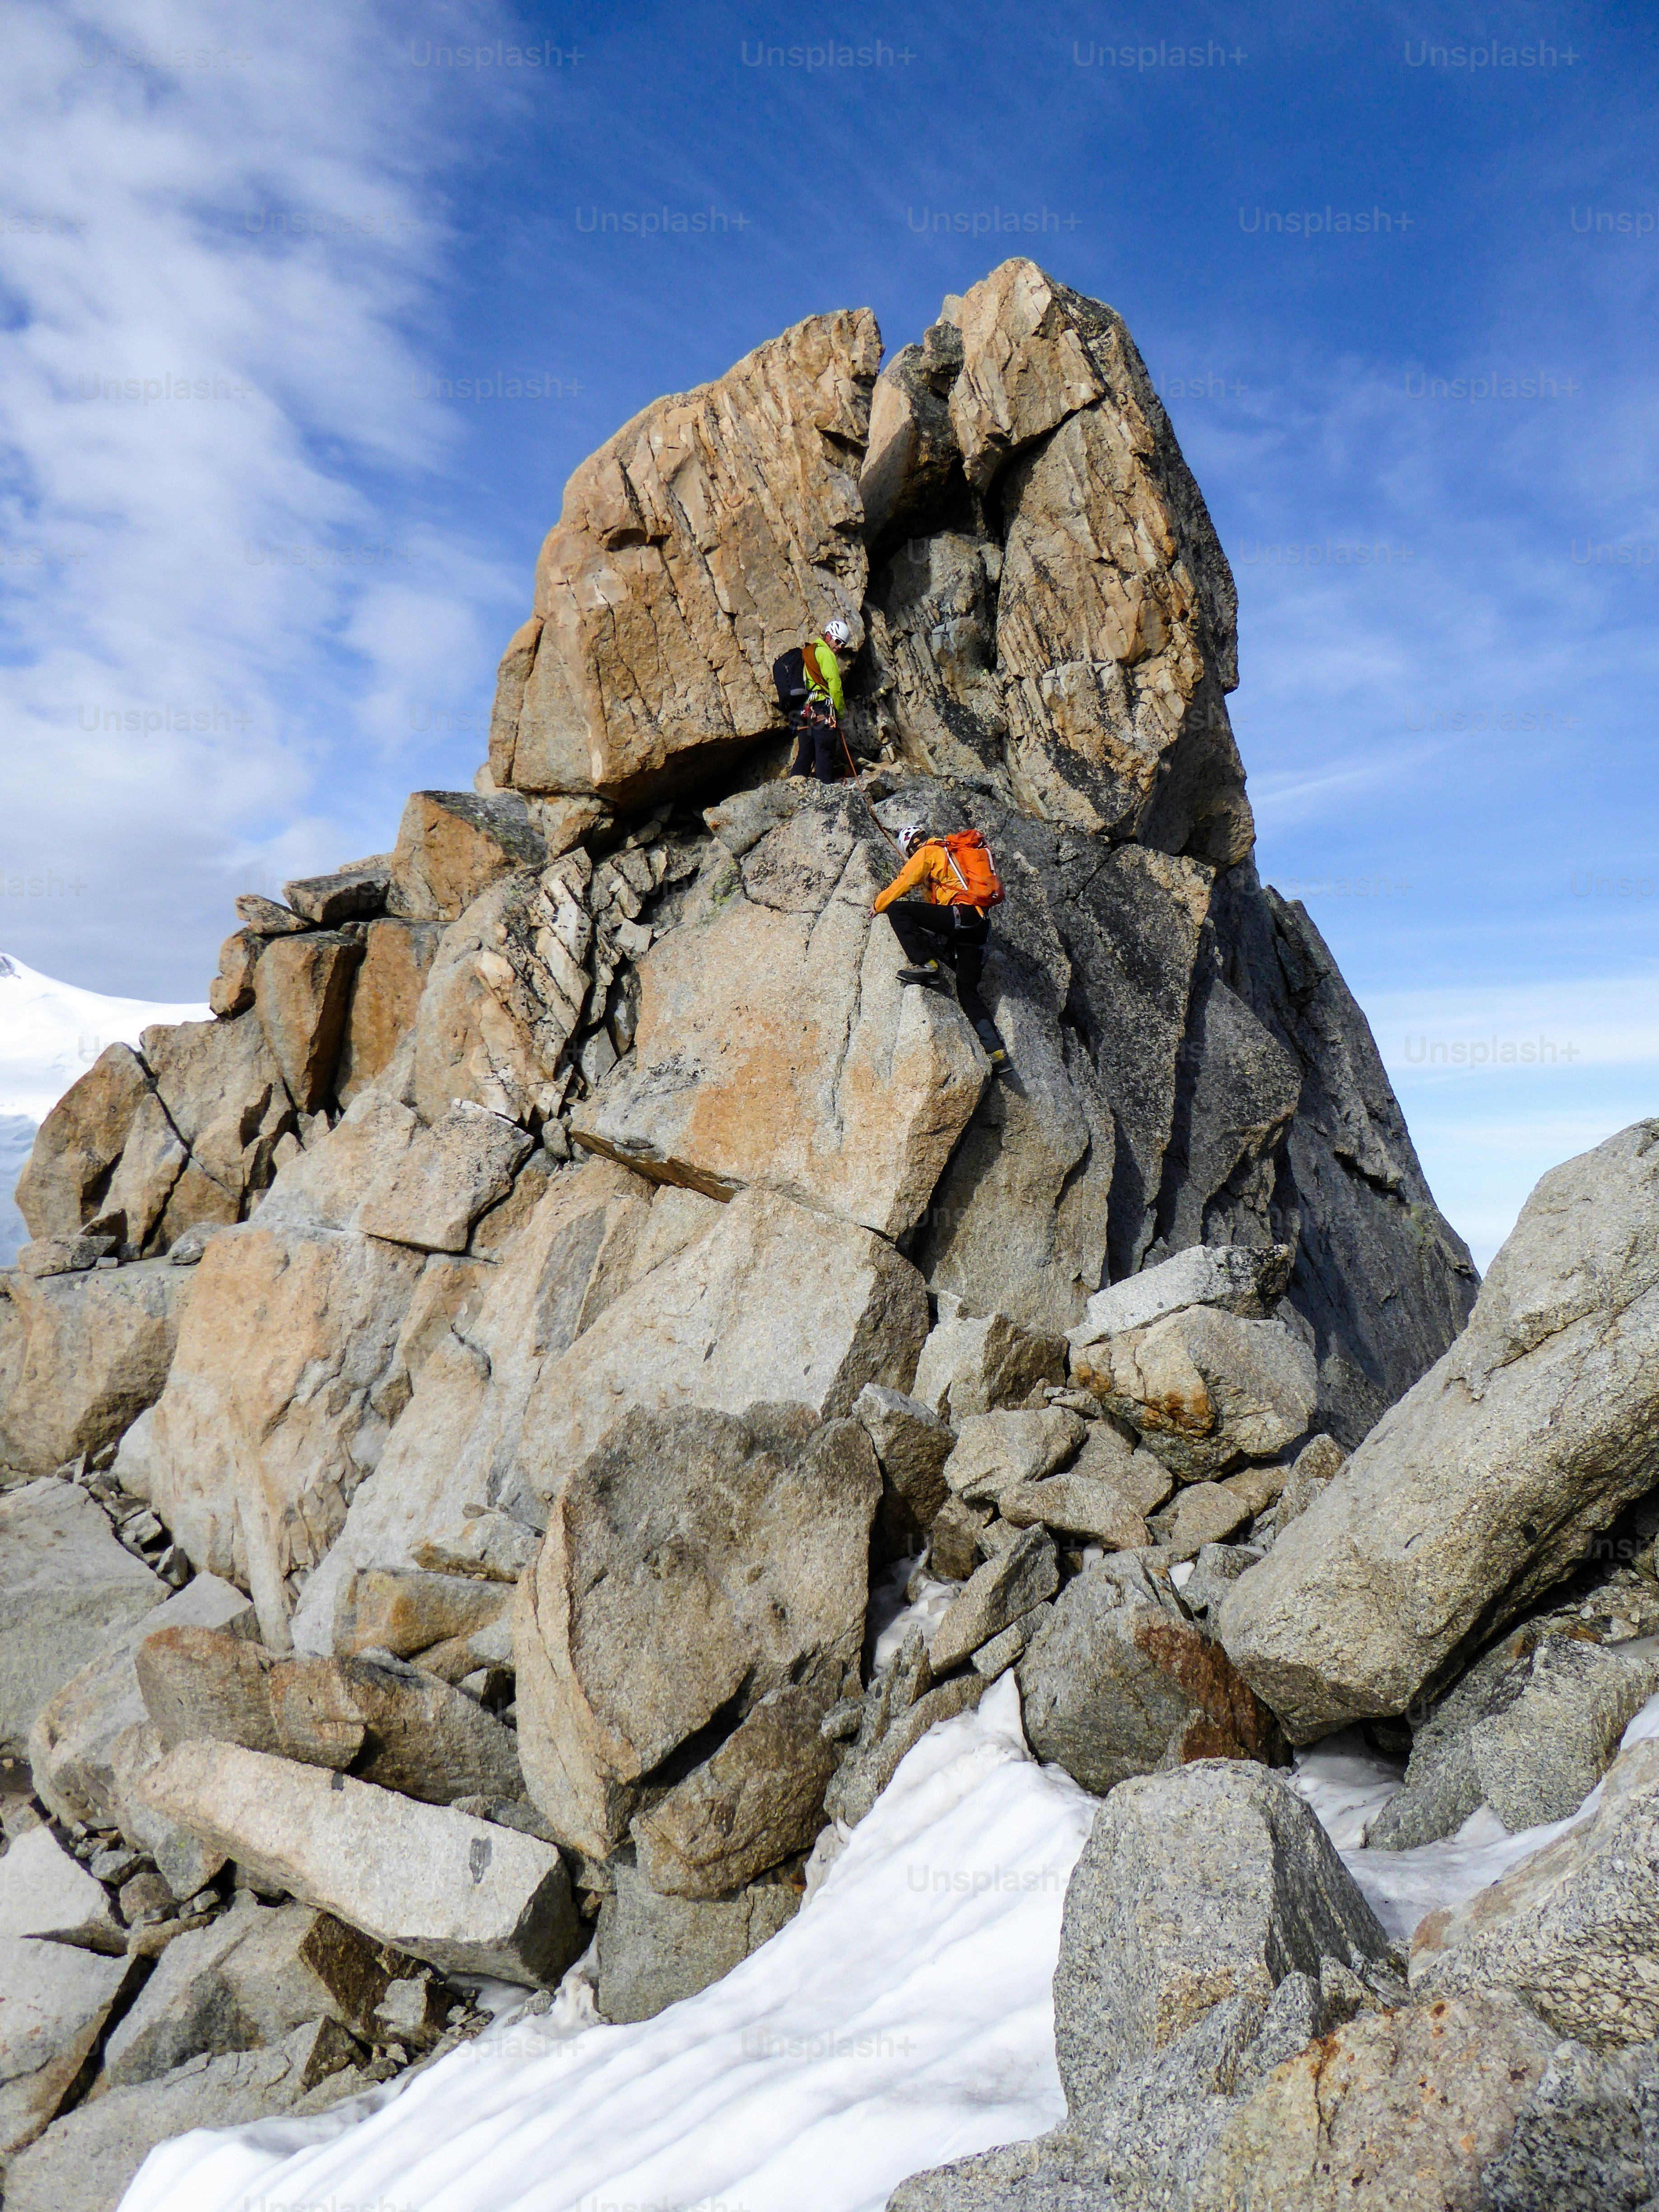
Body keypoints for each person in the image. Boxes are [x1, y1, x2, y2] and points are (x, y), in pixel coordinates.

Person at [872, 823, 1009, 1070]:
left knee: (898, 909)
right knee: (967, 991)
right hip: (979, 926)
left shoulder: (928, 852)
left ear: (910, 849)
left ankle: (927, 964)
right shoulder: (951, 852)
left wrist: (879, 904)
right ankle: (997, 1053)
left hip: (962, 915)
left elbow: (905, 881)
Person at [778, 617, 852, 782]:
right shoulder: (826, 654)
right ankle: (826, 793)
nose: (840, 647)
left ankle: (794, 790)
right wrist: (839, 714)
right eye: (838, 641)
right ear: (828, 637)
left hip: (804, 712)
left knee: (806, 753)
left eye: (843, 645)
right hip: (822, 710)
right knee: (825, 750)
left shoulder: (808, 652)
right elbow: (835, 686)